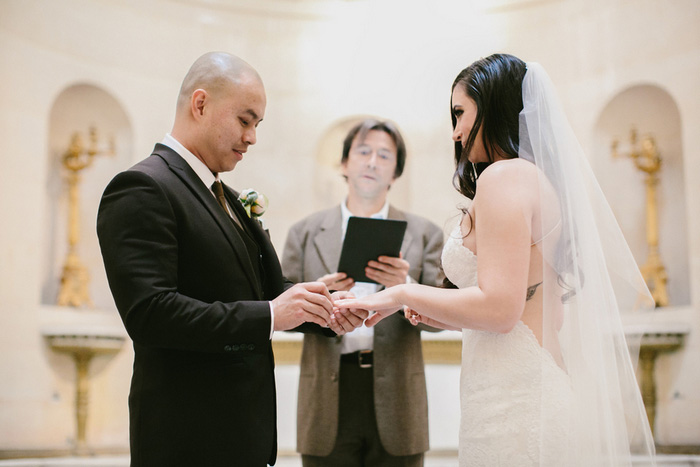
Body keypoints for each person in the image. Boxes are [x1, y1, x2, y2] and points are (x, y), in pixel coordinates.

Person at [335, 54, 657, 466]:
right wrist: (437, 311)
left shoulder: (504, 177)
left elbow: (501, 310)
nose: (455, 132)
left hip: (515, 401)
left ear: (492, 106)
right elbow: (538, 311)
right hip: (526, 384)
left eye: (460, 113)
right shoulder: (537, 180)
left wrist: (400, 292)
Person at [96, 52, 366, 467]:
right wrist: (272, 316)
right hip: (187, 440)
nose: (253, 137)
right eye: (245, 120)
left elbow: (265, 292)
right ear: (200, 104)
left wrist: (320, 307)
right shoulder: (143, 187)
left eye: (257, 124)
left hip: (245, 437)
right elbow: (151, 314)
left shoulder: (232, 199)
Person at [282, 118, 444, 466]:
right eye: (364, 151)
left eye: (385, 155)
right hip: (326, 393)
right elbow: (281, 315)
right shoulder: (305, 232)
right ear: (344, 163)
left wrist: (408, 289)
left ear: (395, 173)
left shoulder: (425, 233)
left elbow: (440, 321)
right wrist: (316, 298)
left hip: (399, 395)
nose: (373, 161)